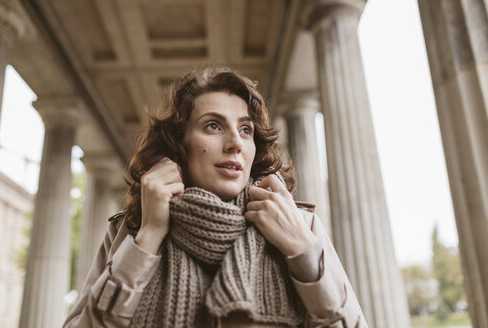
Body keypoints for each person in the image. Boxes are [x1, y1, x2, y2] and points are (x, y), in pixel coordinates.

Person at [63, 67, 368, 328]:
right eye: (213, 125)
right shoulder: (130, 229)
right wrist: (148, 238)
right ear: (180, 144)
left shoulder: (299, 224)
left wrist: (303, 252)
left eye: (246, 129)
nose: (235, 142)